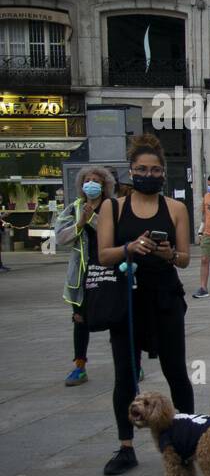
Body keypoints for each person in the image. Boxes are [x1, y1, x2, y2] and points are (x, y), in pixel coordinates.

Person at [97, 132, 195, 476]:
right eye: (142, 169)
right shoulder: (113, 208)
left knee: (177, 371)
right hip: (127, 299)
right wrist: (130, 248)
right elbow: (103, 254)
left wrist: (170, 254)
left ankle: (186, 439)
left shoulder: (176, 208)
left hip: (166, 297)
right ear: (131, 170)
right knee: (125, 374)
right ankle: (126, 447)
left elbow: (184, 258)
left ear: (163, 173)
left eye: (155, 171)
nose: (148, 175)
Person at [55, 165, 115, 385]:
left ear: (104, 185)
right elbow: (61, 237)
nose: (91, 184)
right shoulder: (74, 208)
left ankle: (131, 364)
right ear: (81, 185)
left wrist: (92, 219)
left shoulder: (112, 207)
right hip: (80, 274)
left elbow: (115, 234)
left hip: (108, 271)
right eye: (87, 180)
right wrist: (80, 222)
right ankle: (79, 367)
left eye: (96, 180)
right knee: (80, 320)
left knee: (116, 317)